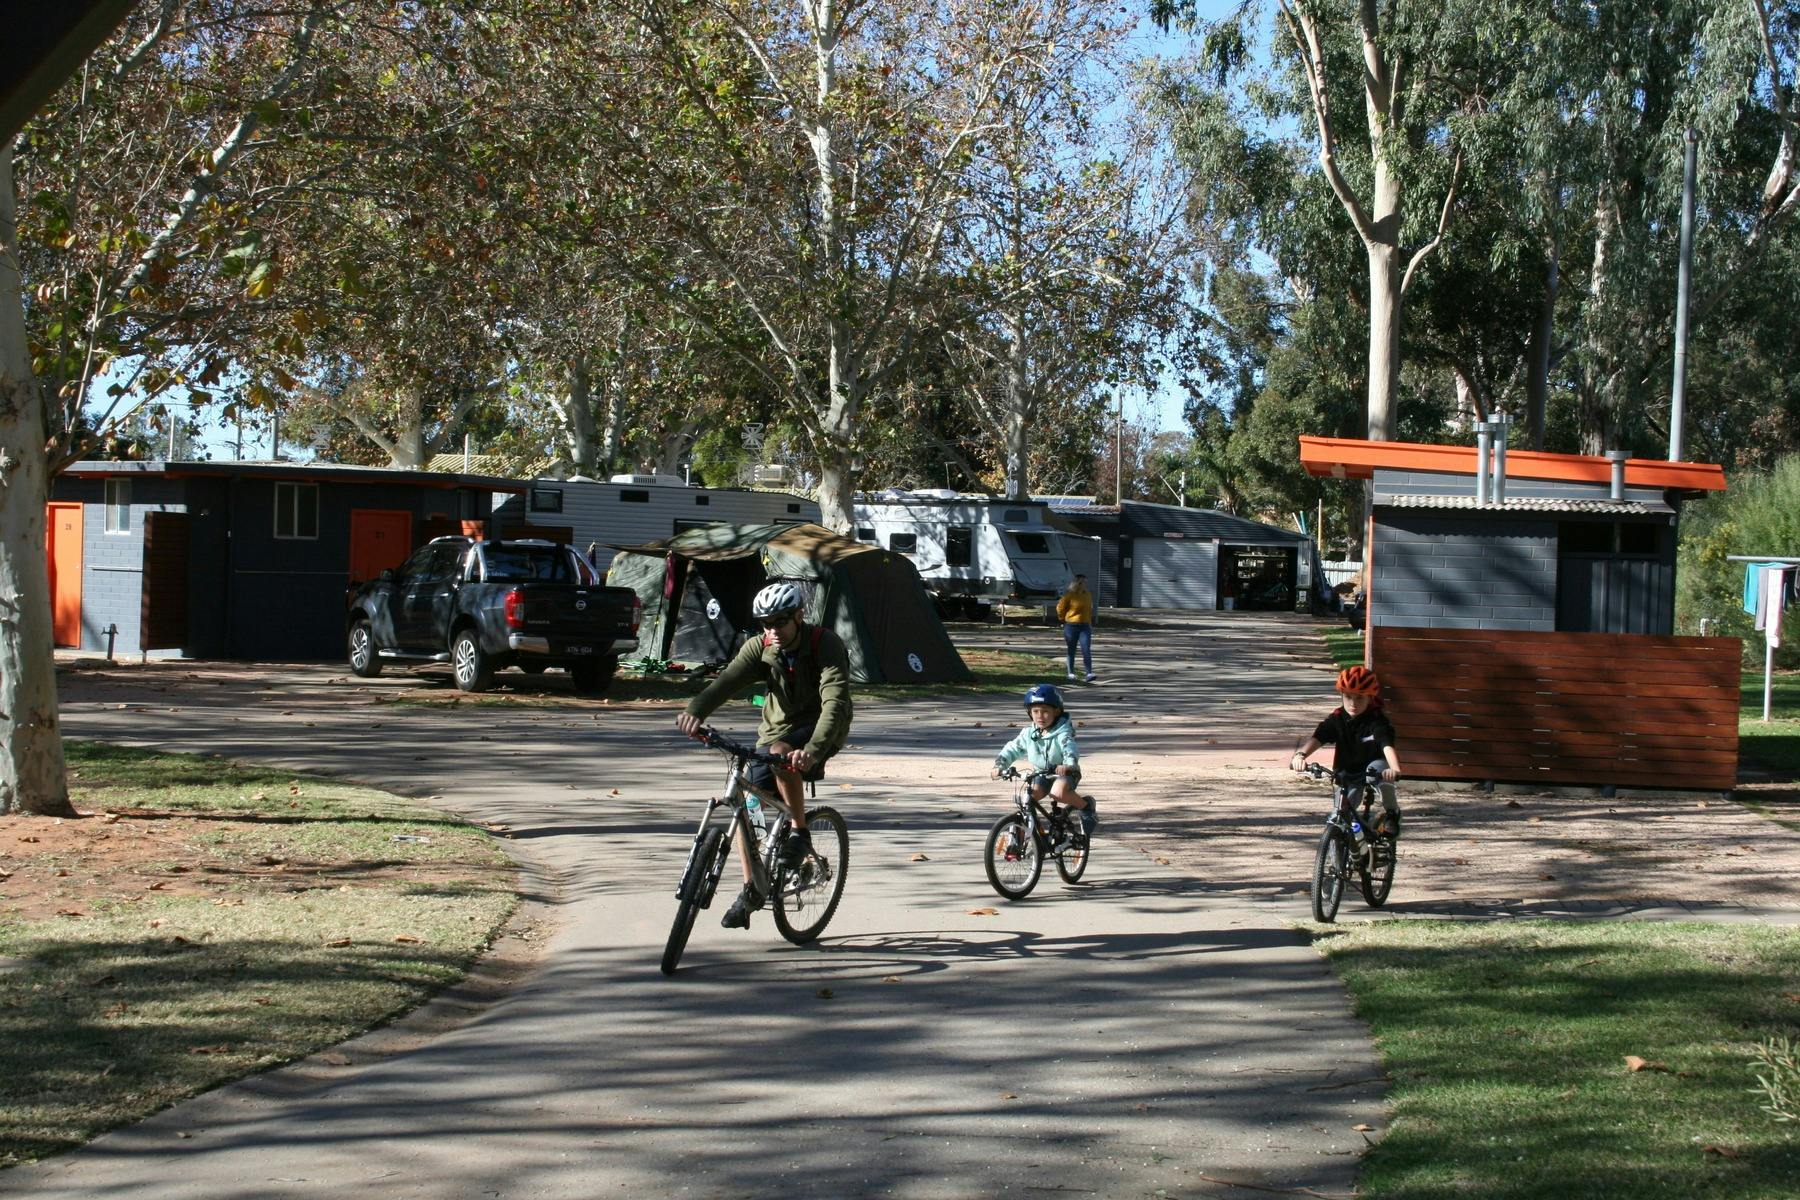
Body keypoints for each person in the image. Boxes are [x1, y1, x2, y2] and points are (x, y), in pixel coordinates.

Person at [676, 581, 853, 928]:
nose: (773, 630)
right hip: (777, 728)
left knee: (781, 754)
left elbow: (834, 701)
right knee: (744, 800)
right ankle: (752, 888)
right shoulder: (760, 647)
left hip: (821, 728)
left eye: (780, 622)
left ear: (799, 616)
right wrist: (696, 711)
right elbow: (727, 681)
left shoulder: (825, 644)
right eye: (765, 623)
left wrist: (813, 751)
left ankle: (800, 832)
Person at [1289, 665, 1403, 838]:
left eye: (1359, 698)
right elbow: (1319, 737)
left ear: (1370, 698)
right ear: (1342, 695)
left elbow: (1386, 744)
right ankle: (1347, 850)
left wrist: (1394, 769)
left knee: (1378, 773)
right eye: (1348, 697)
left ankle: (1392, 813)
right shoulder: (1338, 718)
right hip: (1347, 770)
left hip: (1374, 765)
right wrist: (1300, 755)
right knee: (1340, 814)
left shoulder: (1376, 721)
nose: (1353, 703)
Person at [991, 683, 1095, 838]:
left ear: (1057, 712)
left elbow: (1069, 749)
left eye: (1045, 711)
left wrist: (1068, 765)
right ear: (1029, 712)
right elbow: (1012, 748)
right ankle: (1025, 835)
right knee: (1028, 799)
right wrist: (1000, 765)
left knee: (1058, 793)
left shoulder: (1063, 733)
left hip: (1065, 773)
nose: (1040, 716)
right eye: (1035, 711)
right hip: (1041, 774)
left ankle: (1086, 807)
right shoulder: (1028, 734)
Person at [1057, 573, 1096, 683]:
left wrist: (1089, 622)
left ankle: (1089, 673)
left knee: (1086, 649)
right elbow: (1060, 607)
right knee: (1071, 650)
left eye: (1085, 582)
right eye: (1082, 582)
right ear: (1077, 583)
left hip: (1085, 626)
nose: (1084, 584)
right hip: (1071, 626)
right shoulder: (1069, 595)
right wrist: (1062, 618)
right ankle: (1071, 673)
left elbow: (1089, 610)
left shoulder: (1087, 594)